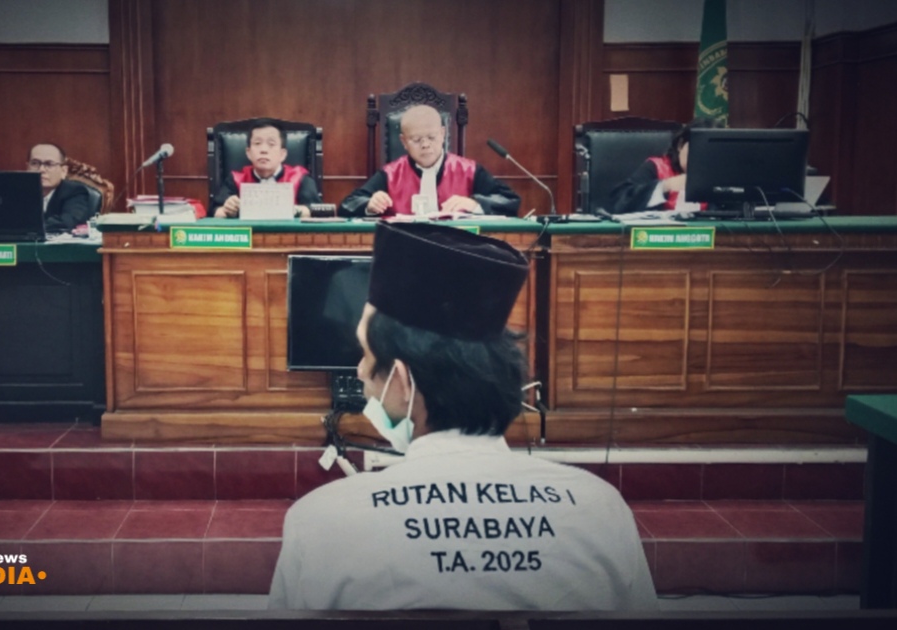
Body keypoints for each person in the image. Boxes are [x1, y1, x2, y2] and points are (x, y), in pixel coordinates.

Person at [268, 222, 657, 611]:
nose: (360, 372)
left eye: (366, 357)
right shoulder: (601, 512)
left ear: (402, 380)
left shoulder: (320, 523)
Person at [339, 105, 520, 218]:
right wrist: (370, 205)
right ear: (403, 141)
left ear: (442, 134)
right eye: (416, 140)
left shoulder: (469, 171)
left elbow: (510, 201)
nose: (425, 145)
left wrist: (474, 204)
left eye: (431, 137)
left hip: (458, 253)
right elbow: (347, 205)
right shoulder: (390, 174)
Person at [607, 117, 724, 215]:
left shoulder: (720, 176)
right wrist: (665, 186)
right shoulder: (656, 167)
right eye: (696, 150)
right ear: (680, 145)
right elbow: (619, 202)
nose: (700, 159)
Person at [212, 119, 320, 219]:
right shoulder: (235, 179)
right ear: (248, 153)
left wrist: (295, 210)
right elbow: (215, 211)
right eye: (257, 143)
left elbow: (316, 211)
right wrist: (227, 209)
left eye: (271, 144)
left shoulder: (300, 178)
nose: (263, 150)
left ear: (282, 154)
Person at [27, 142, 96, 233]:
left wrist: (27, 227)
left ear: (63, 171)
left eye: (49, 164)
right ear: (27, 167)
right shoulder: (19, 191)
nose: (41, 169)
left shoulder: (75, 191)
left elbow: (68, 222)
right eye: (35, 163)